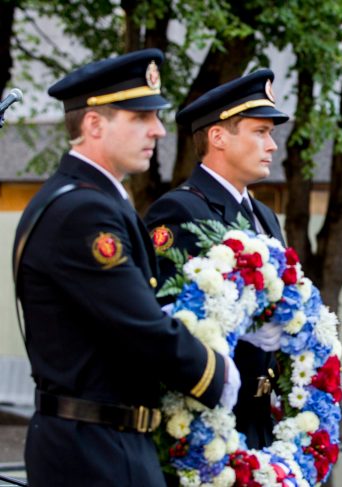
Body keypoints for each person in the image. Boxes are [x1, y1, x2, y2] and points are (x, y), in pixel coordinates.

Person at [12, 49, 240, 487]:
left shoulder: (92, 200)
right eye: (139, 117)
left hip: (101, 443)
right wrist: (217, 373)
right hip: (95, 452)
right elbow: (140, 326)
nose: (157, 129)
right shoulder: (83, 212)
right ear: (94, 124)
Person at [145, 69, 289, 449]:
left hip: (261, 421)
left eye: (270, 133)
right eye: (260, 132)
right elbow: (165, 318)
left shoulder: (264, 216)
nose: (271, 145)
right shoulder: (180, 210)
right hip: (209, 426)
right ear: (218, 136)